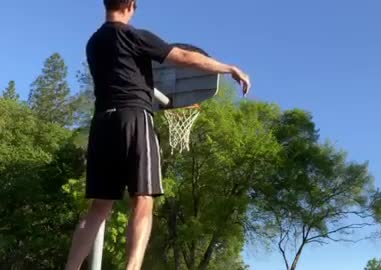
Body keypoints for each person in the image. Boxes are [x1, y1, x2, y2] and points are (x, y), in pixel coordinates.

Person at [65, 0, 251, 269]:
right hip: (134, 117)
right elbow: (186, 58)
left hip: (102, 122)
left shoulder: (93, 42)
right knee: (143, 199)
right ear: (130, 5)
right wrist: (229, 68)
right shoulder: (134, 36)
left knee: (99, 208)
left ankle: (70, 267)